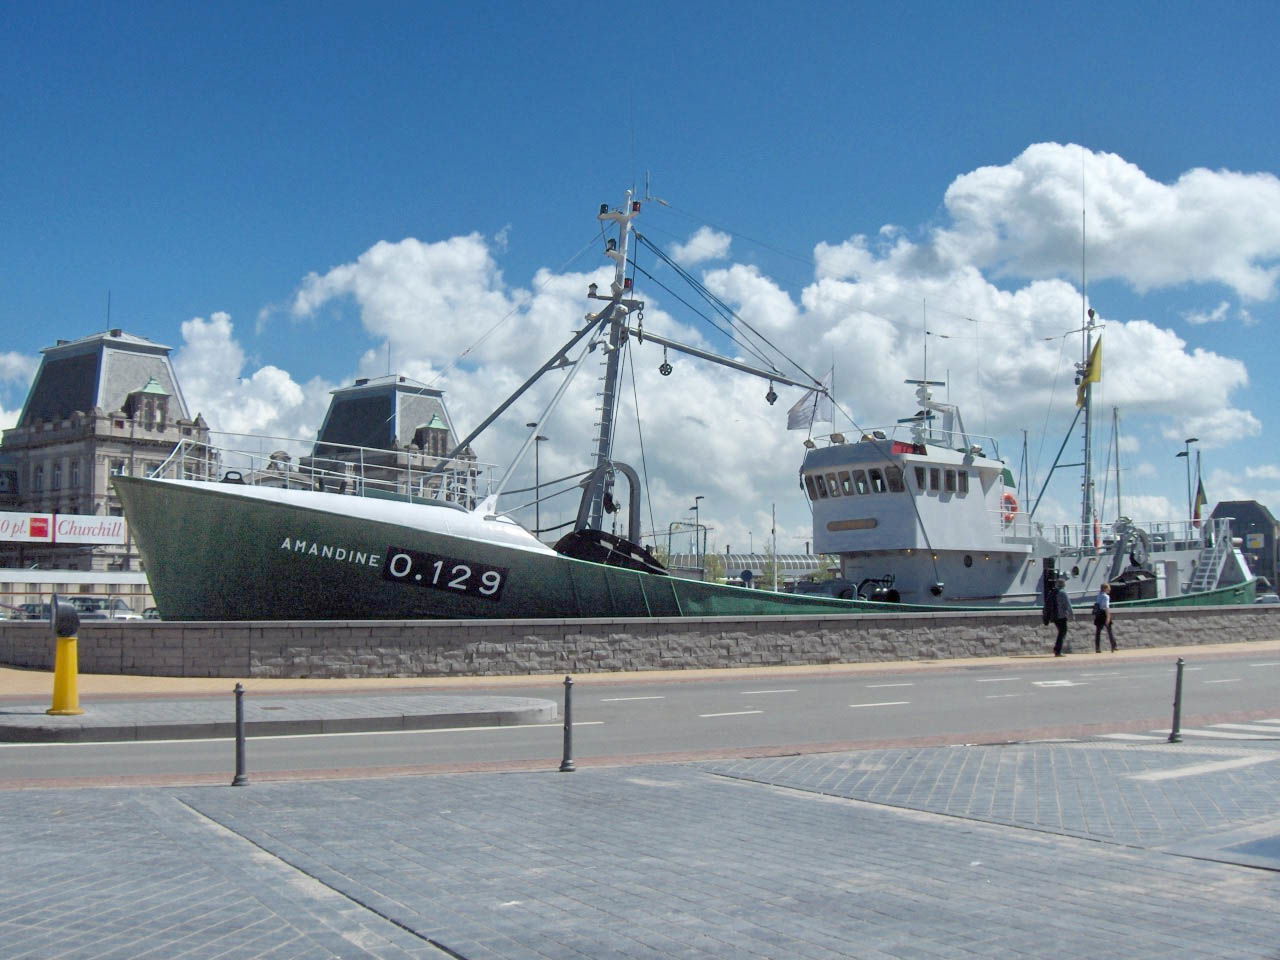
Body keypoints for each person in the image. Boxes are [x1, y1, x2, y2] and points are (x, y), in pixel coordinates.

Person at [1041, 578, 1073, 656]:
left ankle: (1057, 649)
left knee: (1060, 632)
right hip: (1061, 616)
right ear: (1063, 584)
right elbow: (1068, 605)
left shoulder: (1052, 592)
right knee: (1062, 633)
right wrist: (1072, 615)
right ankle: (1057, 651)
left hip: (1054, 616)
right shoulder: (1063, 593)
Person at [1093, 582, 1117, 652]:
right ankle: (1113, 646)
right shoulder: (1106, 596)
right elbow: (1106, 607)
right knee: (1109, 630)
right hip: (1104, 613)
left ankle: (1097, 648)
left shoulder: (1099, 596)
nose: (1109, 589)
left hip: (1098, 614)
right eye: (1108, 588)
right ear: (1105, 589)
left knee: (1098, 632)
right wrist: (1108, 617)